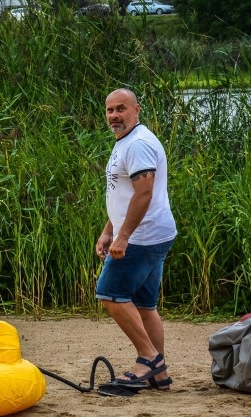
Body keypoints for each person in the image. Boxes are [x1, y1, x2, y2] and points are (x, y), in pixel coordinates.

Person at [95, 88, 177, 392]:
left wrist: (123, 236)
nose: (114, 116)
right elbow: (123, 192)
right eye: (109, 110)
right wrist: (109, 231)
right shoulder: (127, 141)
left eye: (121, 109)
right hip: (153, 232)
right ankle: (159, 376)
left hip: (142, 236)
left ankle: (149, 359)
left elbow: (144, 194)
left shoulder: (138, 144)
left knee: (110, 295)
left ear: (136, 109)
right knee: (144, 303)